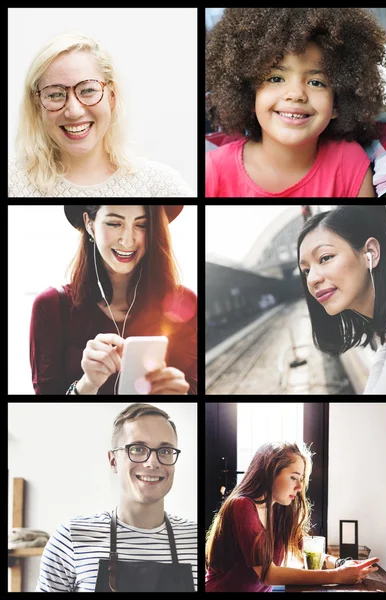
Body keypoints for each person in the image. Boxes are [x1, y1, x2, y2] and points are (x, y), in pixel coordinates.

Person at [205, 8, 386, 197]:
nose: (296, 94)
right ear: (249, 95)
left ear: (337, 103)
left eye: (316, 82)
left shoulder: (349, 162)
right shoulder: (212, 171)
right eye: (276, 79)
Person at [29, 205, 197, 395]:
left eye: (142, 225)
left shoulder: (183, 302)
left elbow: (194, 388)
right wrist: (88, 384)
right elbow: (49, 408)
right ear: (89, 224)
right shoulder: (51, 306)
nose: (127, 240)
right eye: (114, 223)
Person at [9, 32, 194, 197]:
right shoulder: (13, 183)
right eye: (56, 94)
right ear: (37, 104)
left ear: (111, 97)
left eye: (88, 90)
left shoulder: (160, 187)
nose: (74, 111)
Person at [36, 403, 197, 592]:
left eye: (165, 451)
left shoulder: (196, 540)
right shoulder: (72, 537)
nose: (152, 463)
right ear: (113, 461)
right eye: (137, 449)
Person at [205, 441, 380, 591]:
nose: (299, 487)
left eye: (301, 480)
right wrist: (337, 576)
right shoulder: (242, 505)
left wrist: (342, 564)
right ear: (270, 472)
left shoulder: (279, 511)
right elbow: (268, 574)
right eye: (293, 478)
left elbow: (306, 548)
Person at [297, 206, 386, 394]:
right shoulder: (385, 337)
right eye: (306, 271)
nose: (312, 279)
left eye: (325, 258)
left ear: (371, 254)